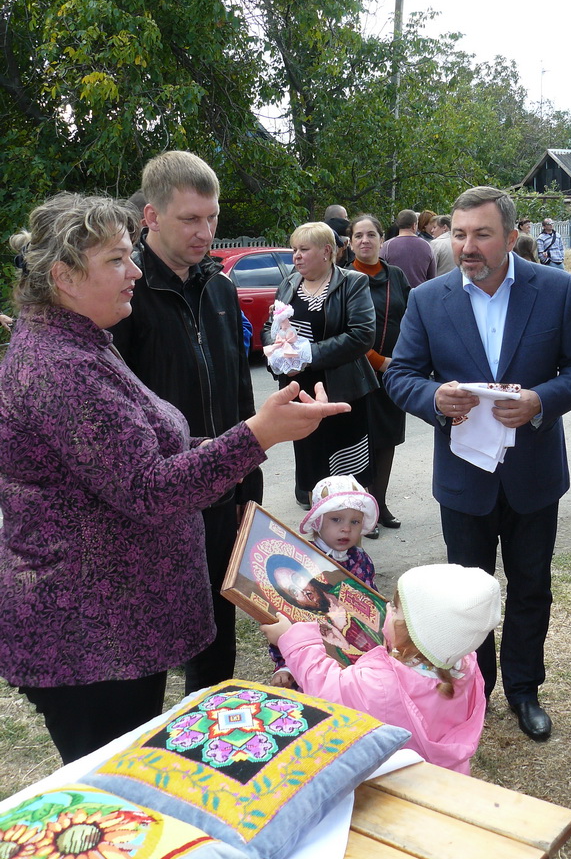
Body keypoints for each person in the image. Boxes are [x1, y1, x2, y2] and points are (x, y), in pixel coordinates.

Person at [0, 193, 349, 764]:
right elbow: (149, 490)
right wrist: (258, 434)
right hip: (91, 641)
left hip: (111, 631)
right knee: (115, 805)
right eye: (116, 259)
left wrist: (222, 442)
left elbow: (132, 452)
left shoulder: (79, 343)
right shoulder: (61, 367)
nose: (135, 270)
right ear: (63, 276)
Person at [384, 186, 571, 741]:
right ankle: (475, 689)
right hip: (464, 480)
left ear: (510, 237)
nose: (468, 246)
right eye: (459, 234)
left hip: (533, 474)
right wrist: (433, 399)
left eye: (482, 234)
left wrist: (540, 401)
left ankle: (524, 690)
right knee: (467, 593)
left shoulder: (553, 290)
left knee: (531, 586)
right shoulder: (430, 299)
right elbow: (401, 375)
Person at [111, 151, 260, 695]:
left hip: (224, 487)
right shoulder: (123, 293)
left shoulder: (218, 287)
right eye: (190, 219)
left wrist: (249, 474)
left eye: (213, 218)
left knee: (219, 629)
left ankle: (214, 727)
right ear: (150, 216)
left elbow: (238, 384)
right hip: (161, 495)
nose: (206, 232)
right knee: (153, 640)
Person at [261, 563, 501, 773]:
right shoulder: (465, 663)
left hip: (396, 781)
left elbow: (327, 687)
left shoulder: (381, 684)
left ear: (413, 632)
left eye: (395, 609)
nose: (386, 607)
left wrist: (294, 640)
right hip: (444, 775)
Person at [262, 222, 377, 506]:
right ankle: (316, 514)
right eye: (294, 250)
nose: (296, 256)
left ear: (327, 251)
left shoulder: (352, 282)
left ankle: (352, 516)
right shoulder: (289, 282)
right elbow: (269, 326)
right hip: (298, 389)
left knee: (345, 456)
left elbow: (362, 335)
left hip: (341, 388)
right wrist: (276, 354)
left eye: (304, 249)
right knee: (309, 452)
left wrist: (308, 354)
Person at [269, 475, 380, 686]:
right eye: (336, 520)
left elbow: (372, 606)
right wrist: (284, 664)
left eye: (354, 521)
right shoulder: (301, 561)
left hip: (355, 656)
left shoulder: (361, 560)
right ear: (317, 521)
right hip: (310, 652)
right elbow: (285, 616)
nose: (346, 528)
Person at [347, 214, 410, 536]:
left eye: (371, 234)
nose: (365, 241)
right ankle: (361, 513)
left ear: (382, 239)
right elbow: (343, 329)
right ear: (349, 242)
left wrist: (404, 361)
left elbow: (411, 317)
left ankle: (380, 504)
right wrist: (378, 361)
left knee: (387, 440)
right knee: (361, 442)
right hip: (355, 375)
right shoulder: (343, 278)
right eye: (358, 236)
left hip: (393, 374)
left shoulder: (396, 276)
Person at [381, 209, 436, 287]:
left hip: (394, 294)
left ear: (398, 224)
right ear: (414, 225)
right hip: (419, 294)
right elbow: (431, 277)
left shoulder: (386, 246)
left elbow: (380, 273)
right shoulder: (427, 246)